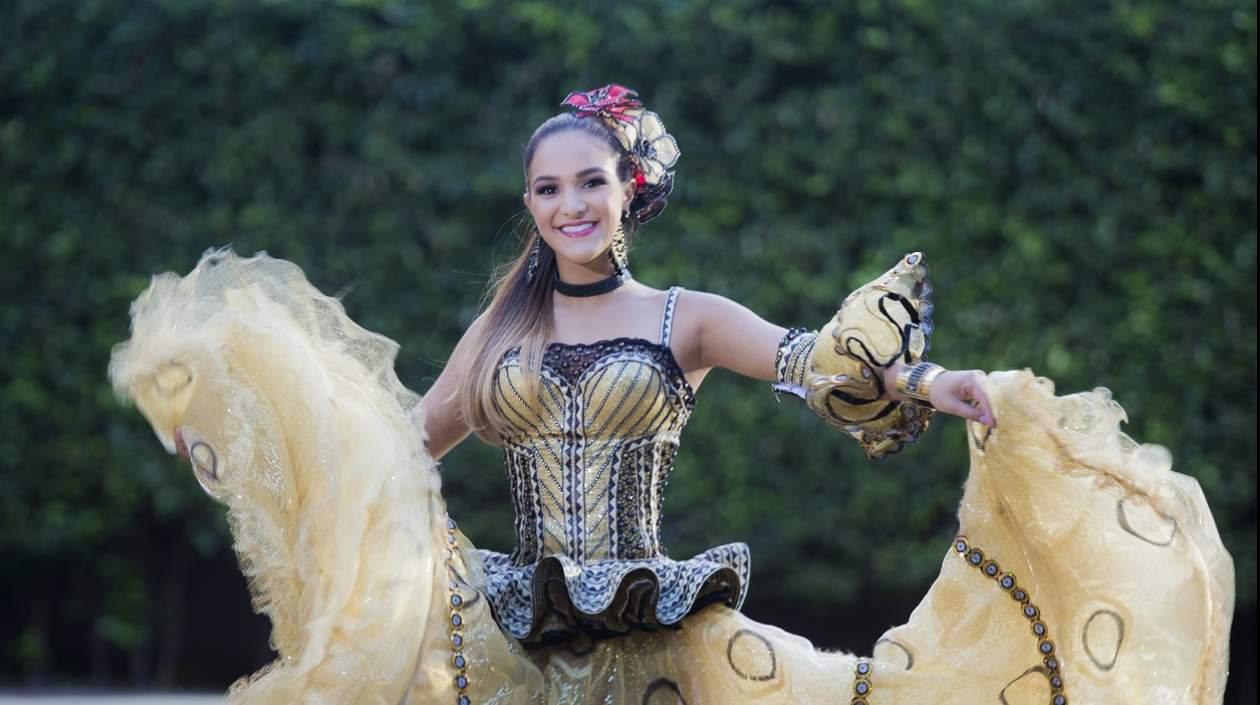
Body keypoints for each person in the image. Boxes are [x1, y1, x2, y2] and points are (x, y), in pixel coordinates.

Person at [109, 85, 1234, 705]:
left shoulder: (681, 317)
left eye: (588, 182)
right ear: (534, 203)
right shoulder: (501, 329)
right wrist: (251, 443)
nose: (568, 206)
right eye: (547, 189)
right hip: (516, 635)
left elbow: (813, 361)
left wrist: (941, 380)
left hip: (665, 640)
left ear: (626, 191)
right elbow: (396, 457)